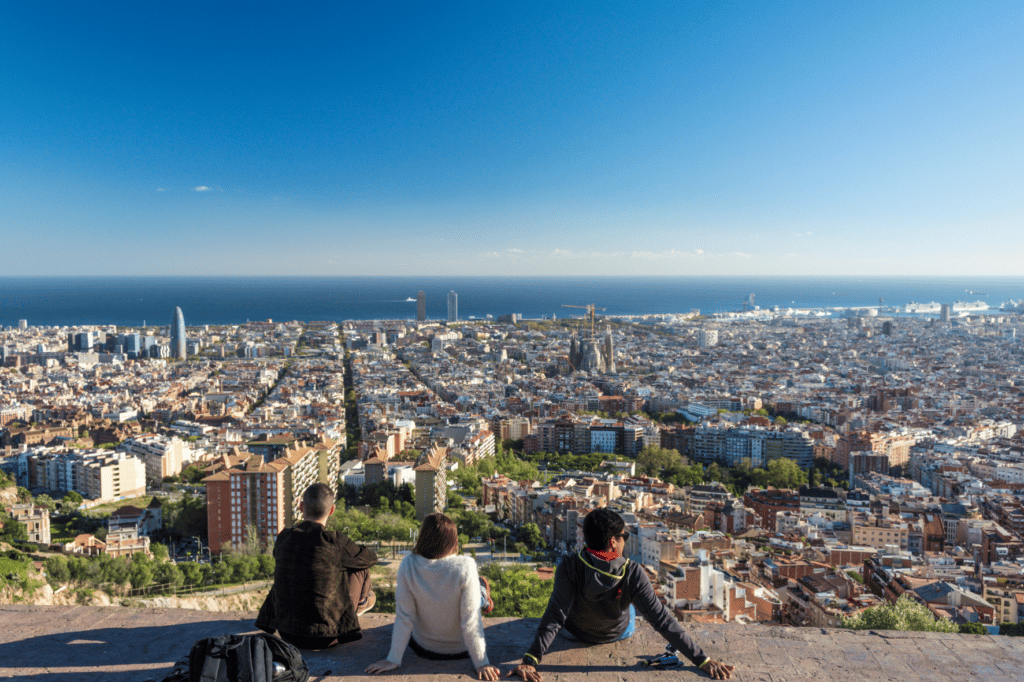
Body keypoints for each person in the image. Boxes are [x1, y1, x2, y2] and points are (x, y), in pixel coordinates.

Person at [510, 508, 734, 681]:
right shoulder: (632, 572)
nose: (625, 539)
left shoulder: (569, 565)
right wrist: (702, 659)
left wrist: (531, 659)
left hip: (573, 633)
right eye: (623, 535)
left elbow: (555, 614)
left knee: (563, 604)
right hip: (617, 633)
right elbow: (661, 619)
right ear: (612, 541)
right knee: (636, 607)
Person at [365, 513, 500, 681]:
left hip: (423, 647)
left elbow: (404, 617)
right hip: (462, 650)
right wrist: (481, 663)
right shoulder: (465, 566)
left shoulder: (408, 564)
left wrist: (392, 659)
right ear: (452, 540)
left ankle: (481, 591)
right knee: (477, 599)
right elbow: (470, 620)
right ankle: (482, 593)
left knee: (468, 596)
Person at [256, 483, 378, 650]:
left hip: (287, 634)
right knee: (360, 566)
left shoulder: (284, 538)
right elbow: (370, 558)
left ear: (301, 506)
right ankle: (361, 604)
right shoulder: (335, 541)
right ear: (332, 510)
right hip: (327, 637)